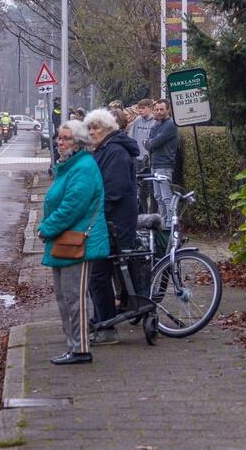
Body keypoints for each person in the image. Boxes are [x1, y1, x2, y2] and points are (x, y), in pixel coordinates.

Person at [38, 119, 109, 365]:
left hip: (77, 242)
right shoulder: (70, 166)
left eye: (66, 138)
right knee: (64, 297)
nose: (60, 142)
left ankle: (80, 349)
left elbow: (72, 207)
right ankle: (73, 346)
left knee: (74, 298)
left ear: (78, 143)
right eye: (59, 137)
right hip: (65, 242)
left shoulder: (83, 167)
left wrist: (46, 228)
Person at [84, 109, 140, 345]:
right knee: (98, 273)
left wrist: (94, 217)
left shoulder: (114, 152)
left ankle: (107, 327)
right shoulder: (104, 150)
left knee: (98, 273)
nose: (91, 132)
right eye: (89, 128)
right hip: (107, 221)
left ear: (107, 129)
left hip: (115, 223)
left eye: (95, 128)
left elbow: (113, 191)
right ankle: (102, 318)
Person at [145, 99, 179, 225]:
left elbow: (153, 143)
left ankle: (171, 223)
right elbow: (149, 143)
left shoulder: (170, 125)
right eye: (157, 109)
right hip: (154, 164)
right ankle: (163, 222)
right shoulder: (156, 125)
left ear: (168, 110)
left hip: (164, 165)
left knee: (166, 197)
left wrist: (150, 143)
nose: (159, 112)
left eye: (162, 109)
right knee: (158, 196)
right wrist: (150, 143)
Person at [127, 98, 156, 212]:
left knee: (152, 189)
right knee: (141, 190)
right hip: (138, 159)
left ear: (150, 108)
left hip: (150, 159)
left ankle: (153, 213)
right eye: (139, 108)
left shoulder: (155, 121)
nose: (140, 111)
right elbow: (131, 137)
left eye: (143, 108)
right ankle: (143, 213)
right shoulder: (137, 120)